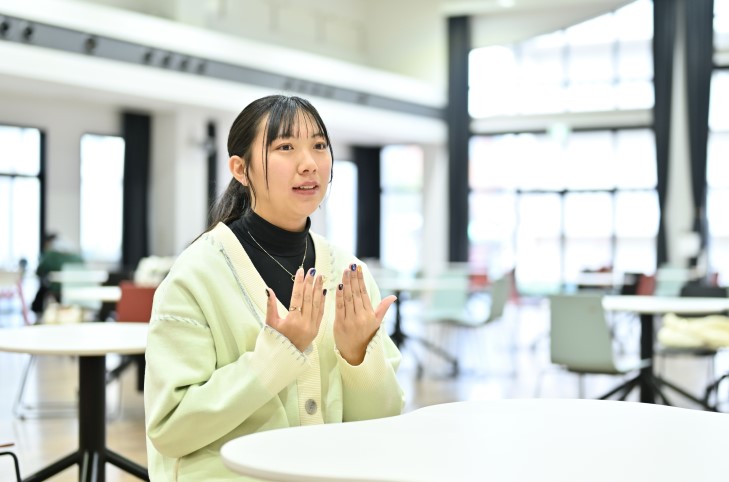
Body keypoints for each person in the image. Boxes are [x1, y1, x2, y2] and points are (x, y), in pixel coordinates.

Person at [144, 95, 405, 481]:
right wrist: (276, 356)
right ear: (240, 169)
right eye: (285, 147)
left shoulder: (350, 275)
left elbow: (382, 423)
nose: (309, 163)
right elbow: (170, 428)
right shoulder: (196, 275)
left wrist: (357, 358)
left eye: (319, 145)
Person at [31, 233, 83, 314]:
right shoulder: (77, 256)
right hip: (77, 287)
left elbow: (39, 271)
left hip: (57, 289)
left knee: (43, 288)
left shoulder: (51, 255)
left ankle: (37, 311)